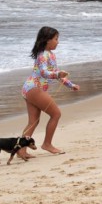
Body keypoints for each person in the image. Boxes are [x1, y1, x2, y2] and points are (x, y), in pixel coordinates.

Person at [21, 26, 80, 154]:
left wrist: (71, 85)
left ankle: (21, 150)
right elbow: (44, 72)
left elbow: (55, 73)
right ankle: (47, 144)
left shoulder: (51, 55)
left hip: (29, 88)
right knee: (56, 114)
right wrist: (57, 75)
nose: (58, 42)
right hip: (34, 88)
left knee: (33, 121)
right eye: (56, 39)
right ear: (47, 40)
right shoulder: (43, 55)